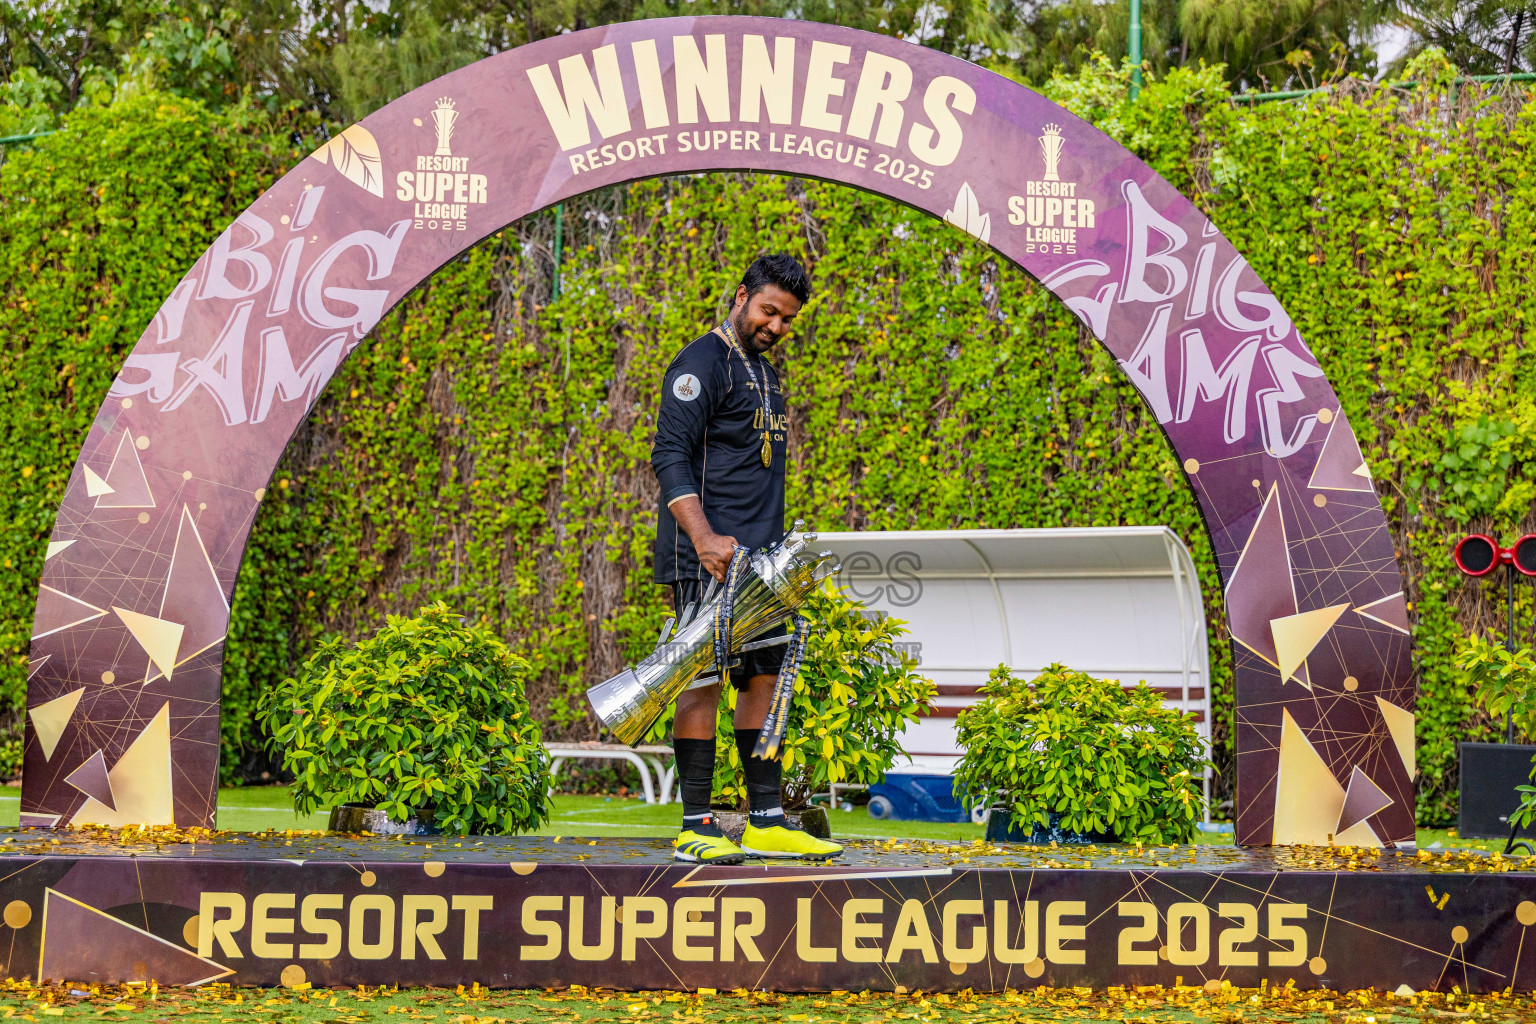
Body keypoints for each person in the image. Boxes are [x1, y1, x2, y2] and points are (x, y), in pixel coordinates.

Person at [650, 253, 843, 864]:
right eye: (767, 311)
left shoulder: (762, 372)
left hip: (761, 565)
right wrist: (704, 539)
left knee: (763, 677)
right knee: (701, 681)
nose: (775, 327)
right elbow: (669, 456)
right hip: (705, 556)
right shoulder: (699, 363)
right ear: (740, 297)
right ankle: (695, 825)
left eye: (786, 319)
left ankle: (763, 822)